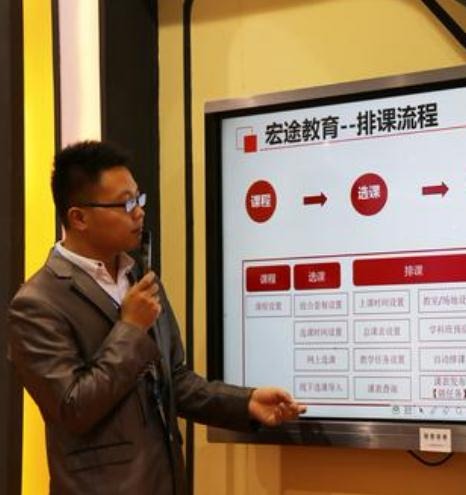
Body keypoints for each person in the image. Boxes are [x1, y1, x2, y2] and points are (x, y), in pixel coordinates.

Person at [8, 141, 305, 495]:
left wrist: (246, 402)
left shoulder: (140, 278)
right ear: (79, 218)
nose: (139, 212)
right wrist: (131, 329)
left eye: (139, 199)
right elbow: (72, 408)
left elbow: (173, 380)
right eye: (125, 204)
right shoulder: (37, 303)